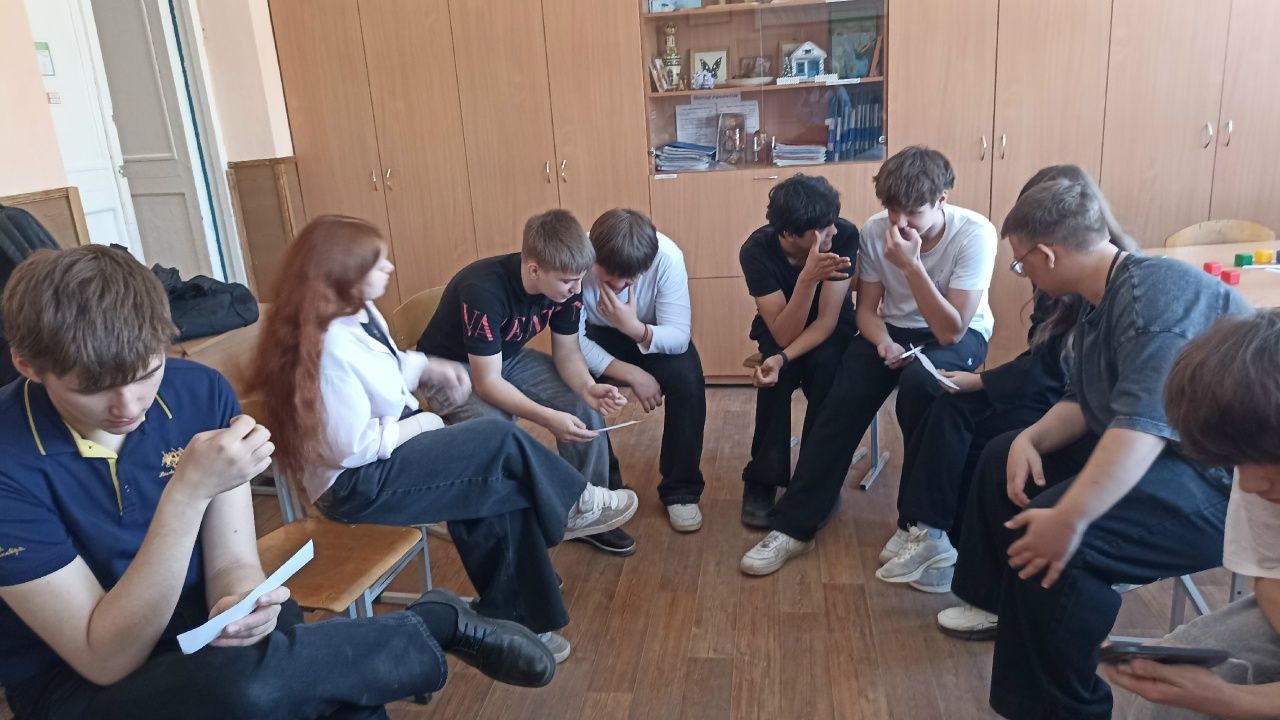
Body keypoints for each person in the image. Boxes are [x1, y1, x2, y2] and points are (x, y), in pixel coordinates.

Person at [0, 245, 557, 720]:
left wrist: (239, 599)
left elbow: (232, 561)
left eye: (146, 374)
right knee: (245, 689)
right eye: (92, 389)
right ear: (27, 364)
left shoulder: (197, 392)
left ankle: (410, 634)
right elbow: (106, 658)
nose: (128, 406)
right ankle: (430, 626)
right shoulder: (9, 459)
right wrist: (187, 494)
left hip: (201, 622)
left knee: (314, 681)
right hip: (79, 674)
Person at [251, 215, 639, 665]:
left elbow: (391, 363)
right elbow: (351, 449)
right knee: (495, 443)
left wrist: (429, 368)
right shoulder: (328, 347)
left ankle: (520, 617)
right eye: (378, 262)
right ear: (343, 272)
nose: (390, 267)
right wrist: (424, 424)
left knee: (496, 484)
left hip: (387, 446)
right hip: (355, 483)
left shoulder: (359, 312)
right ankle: (573, 504)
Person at [935, 177, 1251, 720]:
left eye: (1021, 264)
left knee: (1063, 544)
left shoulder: (1154, 294)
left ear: (1047, 255)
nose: (1025, 275)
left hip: (1228, 483)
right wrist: (1030, 438)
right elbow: (1088, 401)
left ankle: (1061, 708)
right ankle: (1002, 608)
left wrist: (1071, 518)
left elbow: (1141, 428)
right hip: (1166, 452)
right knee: (1003, 457)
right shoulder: (1098, 298)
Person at [876, 165, 1138, 593]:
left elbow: (1054, 372)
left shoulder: (1102, 280)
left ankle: (940, 539)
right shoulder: (1062, 269)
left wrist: (982, 382)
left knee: (973, 430)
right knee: (948, 408)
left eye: (1021, 260)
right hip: (1059, 391)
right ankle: (930, 532)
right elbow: (1045, 354)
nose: (1023, 271)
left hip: (1069, 403)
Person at [741, 146, 996, 576]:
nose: (900, 223)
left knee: (921, 388)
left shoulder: (975, 234)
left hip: (958, 333)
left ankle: (916, 525)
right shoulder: (877, 230)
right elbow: (867, 312)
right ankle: (794, 526)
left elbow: (950, 331)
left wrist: (912, 267)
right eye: (893, 210)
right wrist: (883, 343)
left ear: (941, 200)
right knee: (840, 399)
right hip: (891, 330)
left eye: (913, 212)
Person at [417, 210, 640, 556]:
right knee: (499, 430)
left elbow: (568, 352)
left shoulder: (568, 282)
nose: (577, 289)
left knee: (581, 405)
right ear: (534, 270)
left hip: (503, 357)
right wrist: (548, 418)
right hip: (446, 367)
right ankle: (516, 538)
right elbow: (488, 383)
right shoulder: (483, 290)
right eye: (568, 282)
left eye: (580, 279)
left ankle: (585, 511)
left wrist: (587, 387)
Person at [1104, 310, 1280, 719]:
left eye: (1270, 459)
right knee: (1172, 700)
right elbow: (1271, 576)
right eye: (1237, 461)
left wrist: (1233, 701)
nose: (1250, 484)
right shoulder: (1261, 457)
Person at [737, 174, 858, 528]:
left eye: (832, 220)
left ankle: (816, 479)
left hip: (830, 326)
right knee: (774, 380)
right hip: (782, 323)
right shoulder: (756, 251)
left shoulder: (844, 235)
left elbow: (827, 321)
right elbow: (783, 332)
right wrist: (807, 278)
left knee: (827, 368)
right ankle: (763, 478)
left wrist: (783, 357)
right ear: (789, 233)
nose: (831, 231)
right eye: (820, 229)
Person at [578, 208, 706, 533]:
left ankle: (681, 489)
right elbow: (573, 344)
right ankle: (604, 489)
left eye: (630, 279)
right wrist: (634, 375)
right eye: (609, 276)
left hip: (649, 330)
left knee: (688, 380)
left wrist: (632, 327)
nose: (619, 285)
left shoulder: (668, 258)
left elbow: (678, 336)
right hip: (596, 336)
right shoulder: (575, 257)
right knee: (572, 385)